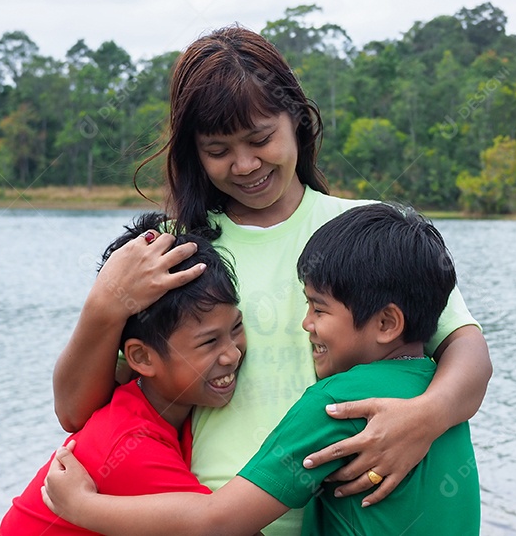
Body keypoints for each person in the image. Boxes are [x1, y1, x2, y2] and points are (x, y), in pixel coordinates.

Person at [52, 26, 492, 536]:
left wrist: (425, 418)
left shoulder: (366, 233)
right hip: (194, 517)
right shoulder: (170, 251)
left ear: (299, 122)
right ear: (193, 151)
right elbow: (75, 410)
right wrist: (105, 301)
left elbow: (469, 353)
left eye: (261, 139)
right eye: (218, 149)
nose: (245, 165)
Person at [44, 204, 480, 535]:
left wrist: (82, 507)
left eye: (317, 308)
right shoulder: (438, 396)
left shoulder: (336, 404)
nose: (305, 323)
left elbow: (218, 523)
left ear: (386, 323)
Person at [0, 212, 245, 535]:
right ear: (141, 357)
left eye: (237, 327)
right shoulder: (133, 446)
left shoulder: (153, 404)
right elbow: (223, 528)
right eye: (209, 341)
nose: (233, 353)